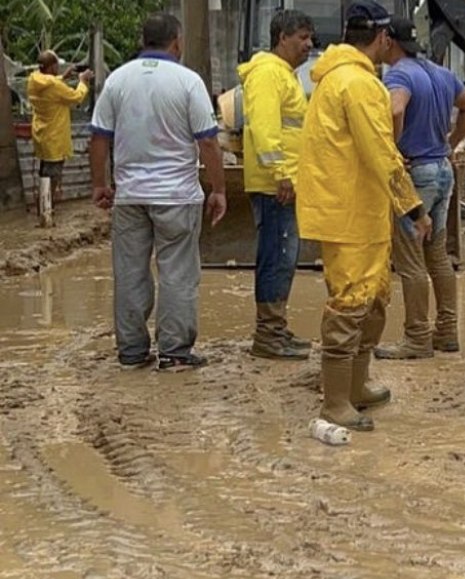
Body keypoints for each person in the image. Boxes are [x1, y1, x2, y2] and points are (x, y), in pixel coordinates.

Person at [296, 0, 428, 431]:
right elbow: (381, 151)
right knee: (351, 305)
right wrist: (413, 206)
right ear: (384, 38)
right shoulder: (359, 85)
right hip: (351, 213)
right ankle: (335, 401)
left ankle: (356, 384)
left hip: (354, 211)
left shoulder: (336, 79)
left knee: (371, 299)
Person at [89, 13, 227, 372]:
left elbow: (99, 138)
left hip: (130, 196)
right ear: (176, 42)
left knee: (130, 272)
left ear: (142, 40)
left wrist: (100, 185)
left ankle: (132, 352)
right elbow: (209, 143)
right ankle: (175, 352)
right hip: (178, 197)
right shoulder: (187, 81)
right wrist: (218, 189)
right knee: (177, 274)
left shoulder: (117, 81)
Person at [374, 17, 465, 360]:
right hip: (443, 171)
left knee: (409, 259)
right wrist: (450, 142)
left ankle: (417, 337)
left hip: (416, 173)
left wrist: (393, 149)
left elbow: (395, 108)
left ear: (389, 41)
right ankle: (447, 331)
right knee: (437, 254)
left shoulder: (398, 75)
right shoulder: (440, 72)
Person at [238, 9, 315, 361]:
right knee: (276, 256)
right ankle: (268, 335)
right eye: (302, 37)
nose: (309, 45)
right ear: (282, 37)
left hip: (284, 182)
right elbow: (265, 129)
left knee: (284, 257)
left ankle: (276, 328)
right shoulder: (269, 73)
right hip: (276, 185)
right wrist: (281, 173)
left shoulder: (283, 75)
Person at [28, 51, 92, 204]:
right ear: (51, 67)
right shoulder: (55, 86)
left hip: (41, 133)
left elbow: (49, 84)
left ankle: (44, 205)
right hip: (55, 136)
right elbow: (76, 97)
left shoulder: (33, 80)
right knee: (53, 174)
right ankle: (47, 208)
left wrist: (63, 77)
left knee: (44, 172)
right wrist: (83, 81)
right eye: (56, 65)